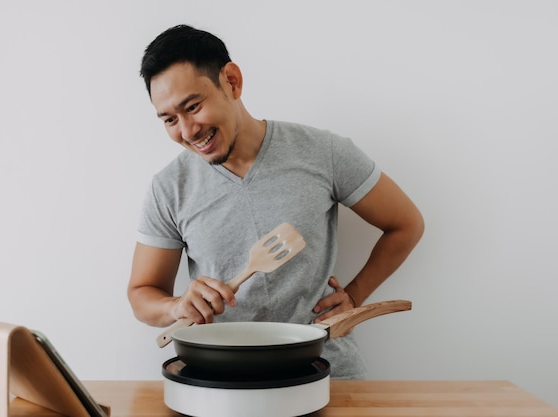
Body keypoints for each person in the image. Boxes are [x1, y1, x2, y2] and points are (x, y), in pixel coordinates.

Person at [127, 24, 424, 378]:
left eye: (193, 106)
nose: (188, 131)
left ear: (232, 81)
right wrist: (177, 306)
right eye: (170, 119)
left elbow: (406, 224)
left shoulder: (323, 153)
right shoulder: (169, 188)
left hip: (328, 371)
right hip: (225, 379)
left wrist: (356, 295)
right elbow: (142, 294)